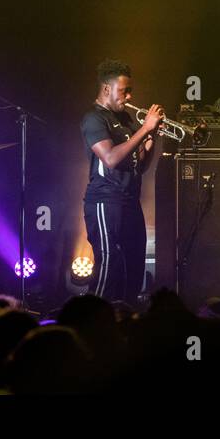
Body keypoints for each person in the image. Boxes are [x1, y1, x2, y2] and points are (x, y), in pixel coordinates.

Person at [82, 60, 163, 302]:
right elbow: (110, 159)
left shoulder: (126, 119)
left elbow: (141, 166)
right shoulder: (93, 119)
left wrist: (150, 138)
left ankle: (125, 321)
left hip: (129, 203)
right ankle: (89, 319)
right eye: (124, 91)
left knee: (134, 268)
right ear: (107, 88)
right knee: (109, 266)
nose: (129, 96)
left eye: (130, 90)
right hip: (105, 201)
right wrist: (144, 129)